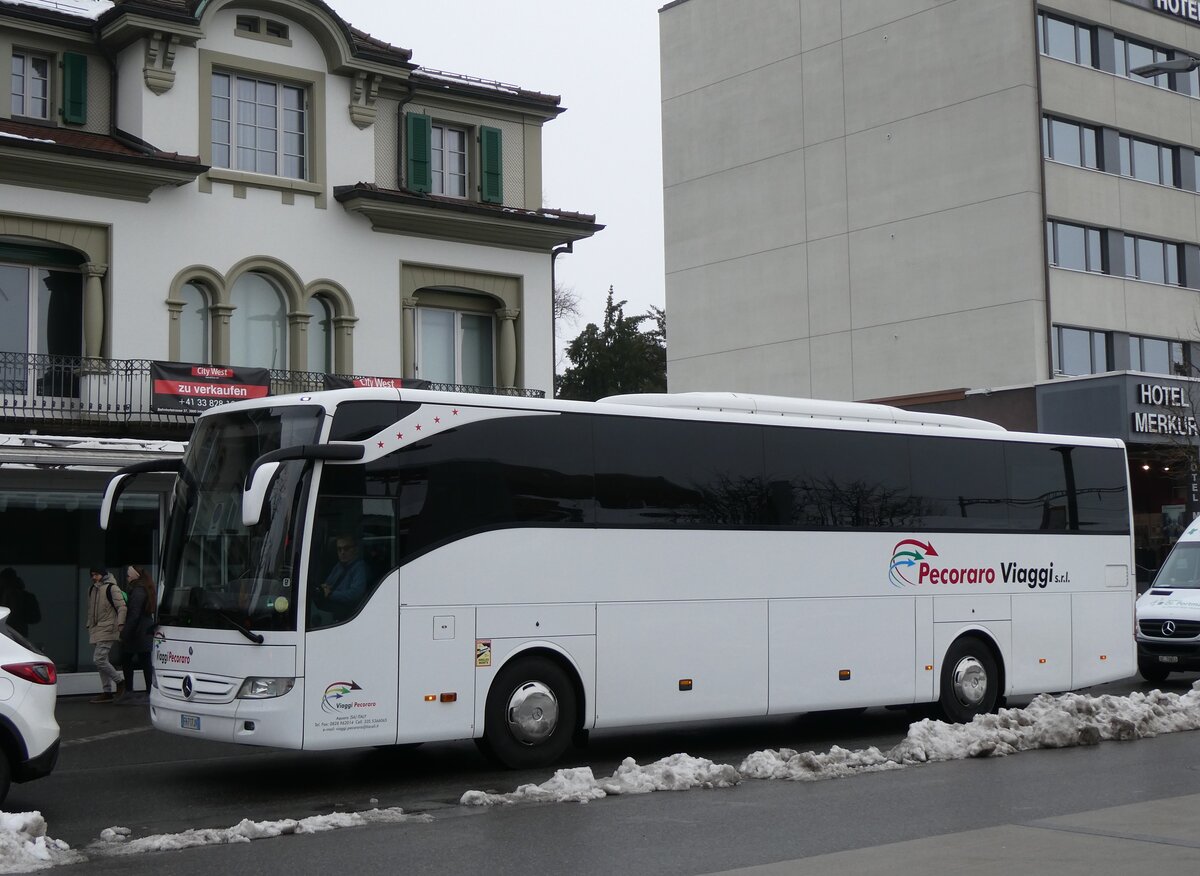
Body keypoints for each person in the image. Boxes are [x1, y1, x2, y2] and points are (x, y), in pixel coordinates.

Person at [85, 567, 126, 703]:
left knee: (99, 659)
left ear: (103, 574)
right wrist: (89, 624)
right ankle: (107, 691)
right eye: (92, 575)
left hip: (108, 628)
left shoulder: (112, 588)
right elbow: (91, 610)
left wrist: (120, 624)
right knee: (102, 661)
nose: (94, 577)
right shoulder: (92, 589)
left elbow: (122, 607)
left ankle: (120, 681)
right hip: (97, 628)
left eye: (96, 574)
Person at [117, 565, 156, 704]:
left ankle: (132, 691)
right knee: (144, 661)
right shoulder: (143, 589)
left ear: (135, 576)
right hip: (143, 631)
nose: (127, 577)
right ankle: (146, 692)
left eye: (129, 575)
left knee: (128, 659)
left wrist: (125, 633)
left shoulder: (138, 591)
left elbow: (134, 615)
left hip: (138, 632)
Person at [316, 534, 368, 621]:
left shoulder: (360, 568)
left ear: (355, 549)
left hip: (348, 614)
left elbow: (355, 594)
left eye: (346, 548)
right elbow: (328, 584)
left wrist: (331, 594)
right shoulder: (339, 566)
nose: (342, 552)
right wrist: (324, 588)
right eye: (339, 549)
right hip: (333, 606)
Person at [0, 568, 39, 637]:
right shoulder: (26, 596)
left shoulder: (26, 596)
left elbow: (35, 617)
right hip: (16, 632)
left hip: (17, 633)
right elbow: (35, 617)